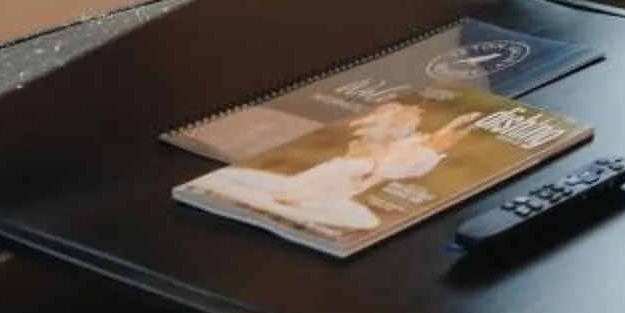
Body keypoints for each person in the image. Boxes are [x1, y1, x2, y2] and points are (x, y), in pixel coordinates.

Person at [192, 98, 478, 238]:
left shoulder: (398, 155)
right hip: (290, 191)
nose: (396, 123)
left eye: (402, 121)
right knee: (226, 180)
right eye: (392, 118)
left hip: (324, 203)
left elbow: (421, 154)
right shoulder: (360, 139)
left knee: (362, 221)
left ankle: (279, 207)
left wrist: (442, 137)